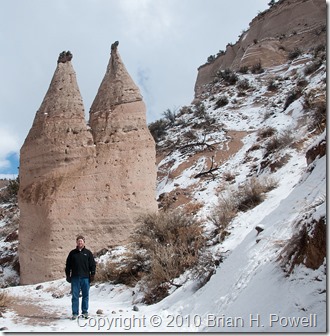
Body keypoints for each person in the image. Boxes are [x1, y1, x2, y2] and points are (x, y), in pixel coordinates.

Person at [65, 235, 96, 320]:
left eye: (81, 241)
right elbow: (68, 265)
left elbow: (92, 264)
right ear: (76, 242)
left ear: (84, 242)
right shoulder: (72, 253)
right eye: (78, 241)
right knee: (75, 296)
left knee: (85, 295)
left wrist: (92, 274)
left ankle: (85, 312)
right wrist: (68, 275)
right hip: (75, 278)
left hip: (85, 278)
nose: (80, 243)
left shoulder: (88, 253)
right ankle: (75, 313)